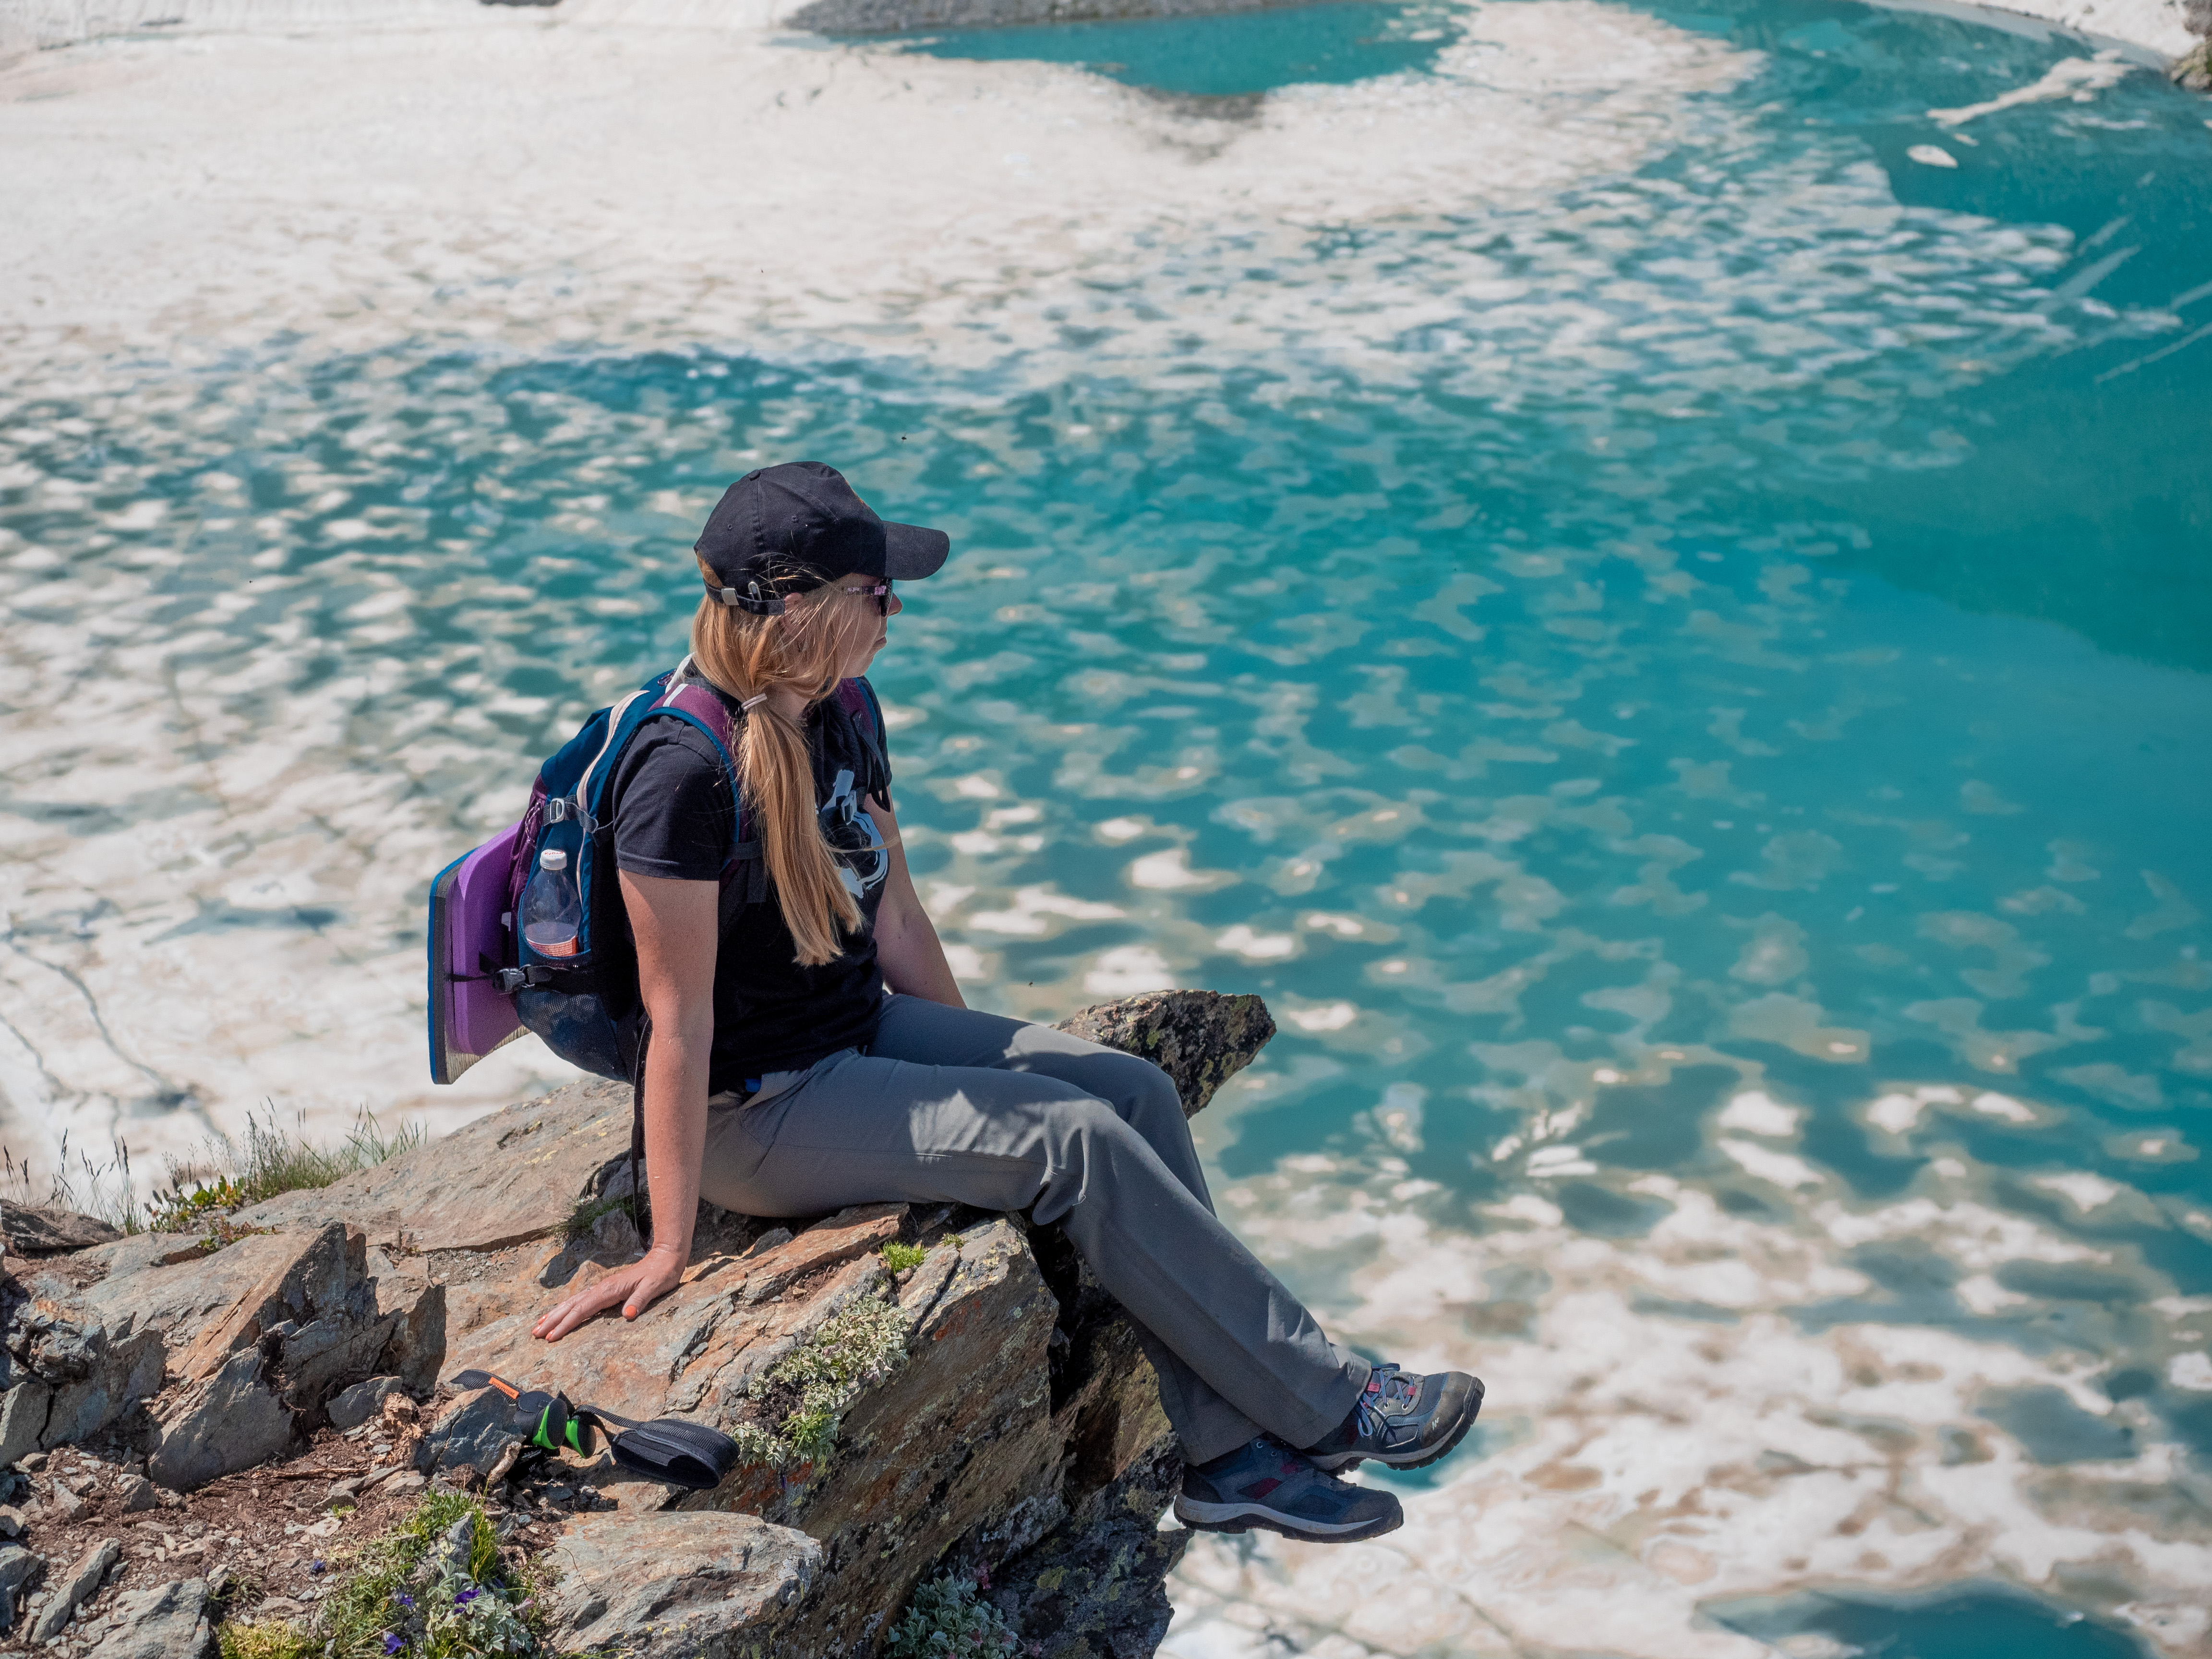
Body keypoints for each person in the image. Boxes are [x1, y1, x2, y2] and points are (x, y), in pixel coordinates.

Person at [529, 461, 1483, 1541]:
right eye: (877, 595)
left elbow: (896, 924)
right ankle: (1333, 1397)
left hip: (857, 1035)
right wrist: (668, 1243)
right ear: (795, 607)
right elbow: (678, 1021)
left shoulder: (842, 708)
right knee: (1069, 1143)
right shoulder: (680, 773)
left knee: (1123, 1090)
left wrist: (985, 1067)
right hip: (756, 1110)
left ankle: (1230, 1457)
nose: (897, 616)